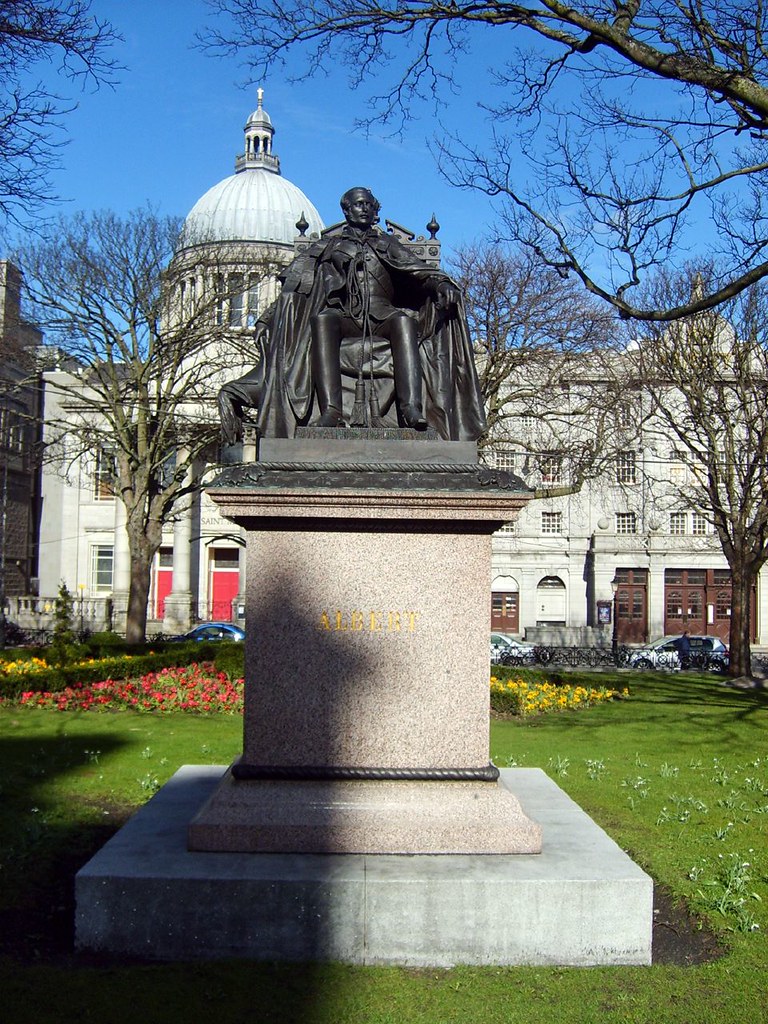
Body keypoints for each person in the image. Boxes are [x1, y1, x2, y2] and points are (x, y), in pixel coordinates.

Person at [219, 186, 487, 442]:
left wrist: (441, 285)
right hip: (344, 315)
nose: (365, 209)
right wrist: (268, 319)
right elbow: (296, 289)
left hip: (383, 314)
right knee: (323, 320)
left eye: (369, 205)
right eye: (359, 204)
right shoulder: (326, 248)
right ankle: (331, 410)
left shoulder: (388, 244)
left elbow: (419, 272)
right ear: (346, 210)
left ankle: (410, 408)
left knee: (403, 322)